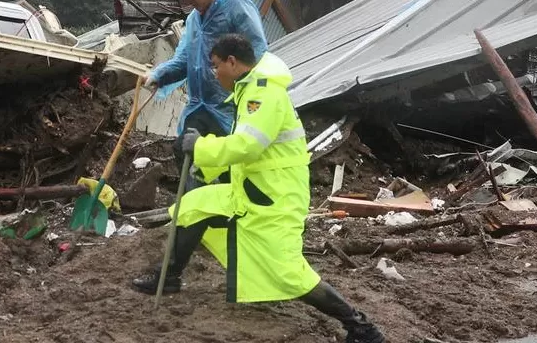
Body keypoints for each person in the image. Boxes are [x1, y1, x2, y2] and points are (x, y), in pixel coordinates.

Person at [132, 34, 386, 343]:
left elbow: (248, 146)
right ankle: (169, 276)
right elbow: (250, 153)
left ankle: (360, 327)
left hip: (274, 199)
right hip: (251, 191)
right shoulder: (249, 90)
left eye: (216, 67)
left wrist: (200, 147)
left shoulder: (262, 95)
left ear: (232, 62)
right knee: (192, 207)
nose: (214, 74)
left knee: (288, 273)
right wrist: (203, 158)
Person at [146, 0, 268, 190]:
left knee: (231, 162)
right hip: (200, 105)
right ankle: (194, 210)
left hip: (229, 106)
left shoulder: (235, 5)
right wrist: (159, 75)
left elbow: (257, 49)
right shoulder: (194, 19)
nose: (188, 1)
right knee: (185, 150)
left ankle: (232, 204)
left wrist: (244, 87)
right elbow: (184, 60)